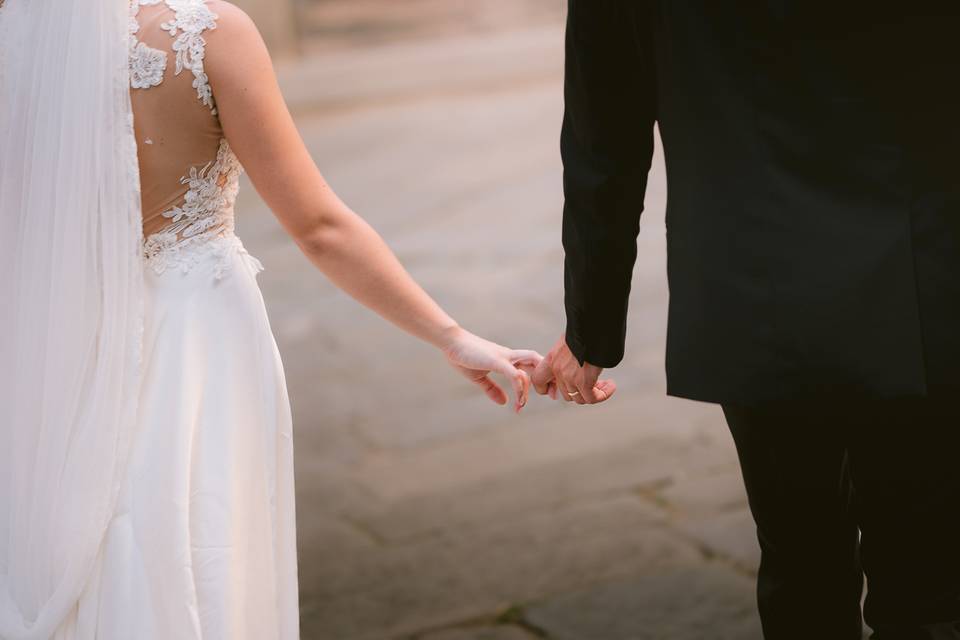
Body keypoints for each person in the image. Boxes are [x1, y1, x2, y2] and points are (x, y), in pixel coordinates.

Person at [0, 1, 540, 638]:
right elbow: (320, 228)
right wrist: (451, 335)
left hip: (54, 354)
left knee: (96, 543)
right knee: (197, 540)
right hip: (196, 350)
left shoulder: (20, 42)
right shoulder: (208, 36)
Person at [532, 1, 960, 639]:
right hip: (928, 264)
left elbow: (605, 133)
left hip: (755, 277)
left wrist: (591, 325)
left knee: (801, 564)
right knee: (928, 582)